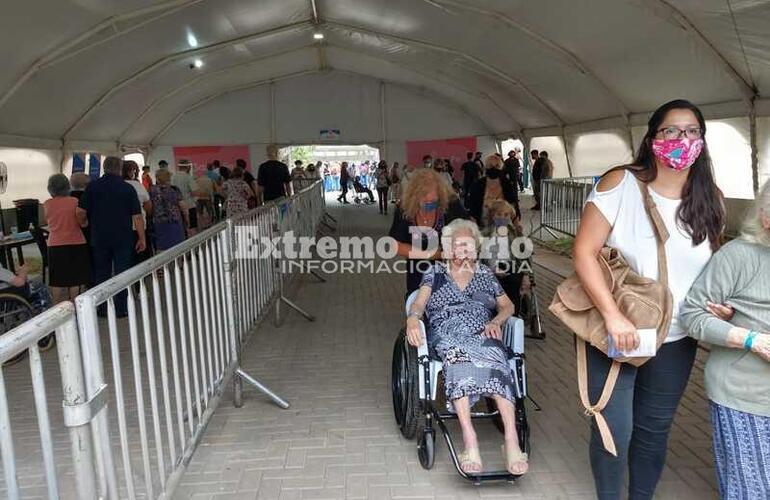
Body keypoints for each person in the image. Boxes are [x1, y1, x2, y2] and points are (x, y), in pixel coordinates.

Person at [572, 99, 726, 500]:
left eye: (692, 131)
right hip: (617, 331)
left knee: (653, 431)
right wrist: (612, 316)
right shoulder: (620, 184)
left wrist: (718, 304)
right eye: (671, 131)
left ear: (703, 141)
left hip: (676, 338)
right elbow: (584, 252)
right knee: (614, 428)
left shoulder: (710, 198)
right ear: (652, 137)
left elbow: (709, 270)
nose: (682, 139)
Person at [405, 218, 528, 476]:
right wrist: (413, 319)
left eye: (470, 246)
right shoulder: (435, 273)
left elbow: (508, 306)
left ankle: (511, 440)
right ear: (449, 249)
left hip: (482, 332)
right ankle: (470, 439)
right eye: (460, 245)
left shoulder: (484, 274)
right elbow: (418, 303)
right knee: (459, 359)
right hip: (447, 335)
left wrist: (496, 320)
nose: (465, 251)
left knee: (497, 357)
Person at [680, 179, 770, 499]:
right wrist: (750, 339)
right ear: (765, 218)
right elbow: (692, 315)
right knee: (751, 491)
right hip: (745, 396)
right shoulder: (738, 256)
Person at [77, 156, 145, 317]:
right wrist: (142, 238)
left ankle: (102, 308)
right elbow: (137, 216)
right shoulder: (127, 188)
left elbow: (80, 212)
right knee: (122, 272)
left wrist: (84, 224)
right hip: (123, 237)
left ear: (104, 168)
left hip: (99, 236)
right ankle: (121, 308)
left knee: (102, 273)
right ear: (120, 169)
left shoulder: (92, 187)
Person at [389, 168, 467, 295]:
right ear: (414, 197)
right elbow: (395, 245)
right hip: (417, 274)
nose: (428, 205)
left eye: (433, 202)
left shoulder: (452, 205)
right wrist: (432, 254)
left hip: (452, 273)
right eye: (424, 201)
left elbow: (469, 233)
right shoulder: (404, 209)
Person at [44, 174, 91, 305]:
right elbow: (81, 220)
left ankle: (55, 305)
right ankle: (73, 304)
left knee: (57, 278)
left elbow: (46, 220)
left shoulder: (47, 204)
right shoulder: (75, 201)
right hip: (76, 242)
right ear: (67, 186)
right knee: (75, 277)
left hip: (55, 244)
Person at [481, 200, 529, 312]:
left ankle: (512, 315)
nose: (502, 218)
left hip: (511, 267)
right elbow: (481, 258)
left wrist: (526, 276)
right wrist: (492, 269)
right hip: (490, 268)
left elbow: (523, 256)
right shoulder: (484, 234)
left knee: (513, 280)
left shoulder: (515, 233)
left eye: (506, 215)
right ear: (492, 216)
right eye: (498, 214)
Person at [467, 155, 520, 229]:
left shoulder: (506, 183)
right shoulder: (477, 185)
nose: (493, 168)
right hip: (482, 225)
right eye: (490, 165)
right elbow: (472, 207)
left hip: (503, 224)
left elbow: (513, 204)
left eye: (497, 166)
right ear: (486, 167)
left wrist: (517, 224)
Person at [147, 169, 187, 251]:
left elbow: (149, 207)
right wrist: (186, 218)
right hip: (175, 221)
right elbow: (183, 206)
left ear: (157, 179)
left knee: (162, 249)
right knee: (178, 248)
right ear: (169, 178)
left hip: (160, 223)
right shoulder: (174, 189)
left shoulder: (152, 190)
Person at [123, 161, 153, 262]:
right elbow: (148, 205)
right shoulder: (137, 185)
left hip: (120, 227)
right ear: (130, 172)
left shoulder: (116, 185)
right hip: (138, 227)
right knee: (140, 255)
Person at [171, 160, 201, 237]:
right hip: (189, 206)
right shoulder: (188, 177)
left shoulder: (172, 177)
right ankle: (194, 246)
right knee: (192, 228)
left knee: (182, 229)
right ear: (188, 167)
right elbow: (196, 192)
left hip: (177, 207)